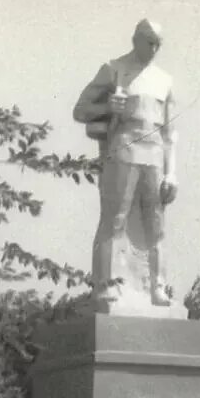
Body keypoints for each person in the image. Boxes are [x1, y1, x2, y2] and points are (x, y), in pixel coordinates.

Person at [73, 18, 179, 308]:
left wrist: (172, 173)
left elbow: (170, 132)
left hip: (155, 152)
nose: (155, 48)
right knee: (115, 218)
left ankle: (157, 287)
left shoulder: (164, 80)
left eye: (159, 43)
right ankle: (105, 285)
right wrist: (108, 107)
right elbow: (80, 110)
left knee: (156, 225)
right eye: (150, 42)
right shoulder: (114, 69)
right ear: (136, 39)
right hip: (124, 147)